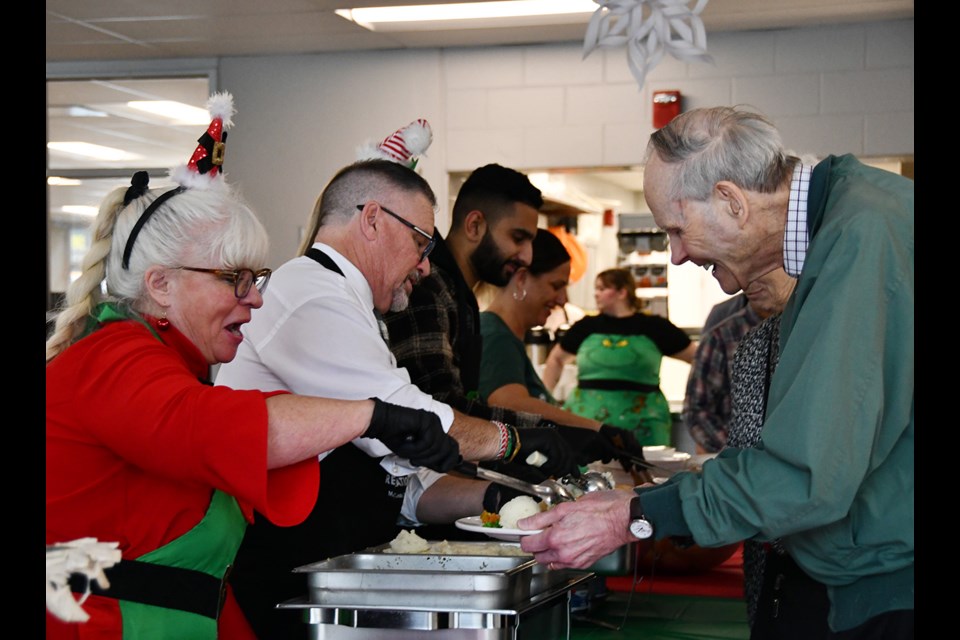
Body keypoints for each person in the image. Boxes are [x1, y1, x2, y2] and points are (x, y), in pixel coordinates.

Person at [44, 93, 459, 640]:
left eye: (255, 278)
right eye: (234, 279)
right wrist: (371, 416)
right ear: (161, 284)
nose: (256, 299)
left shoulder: (165, 367)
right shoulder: (111, 357)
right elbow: (208, 426)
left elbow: (237, 419)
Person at [519, 105, 914, 639]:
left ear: (731, 200)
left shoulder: (860, 239)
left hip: (886, 589)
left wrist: (631, 515)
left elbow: (806, 475)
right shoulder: (844, 221)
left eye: (676, 229)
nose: (677, 256)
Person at [214, 158, 580, 639]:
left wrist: (496, 496)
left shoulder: (353, 306)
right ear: (371, 220)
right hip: (284, 577)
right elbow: (409, 419)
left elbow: (403, 478)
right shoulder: (310, 293)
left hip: (332, 572)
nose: (426, 266)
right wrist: (516, 442)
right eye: (420, 242)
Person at [383, 163, 649, 472]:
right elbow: (439, 409)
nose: (526, 257)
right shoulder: (429, 290)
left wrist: (553, 432)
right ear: (475, 226)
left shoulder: (460, 299)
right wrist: (545, 433)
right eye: (518, 237)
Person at [542, 267, 697, 446]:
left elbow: (698, 359)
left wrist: (695, 399)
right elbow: (556, 359)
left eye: (602, 288)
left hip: (644, 424)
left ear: (623, 292)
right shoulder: (585, 327)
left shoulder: (655, 327)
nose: (596, 294)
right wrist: (546, 399)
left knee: (649, 472)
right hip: (586, 424)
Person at [682, 268, 795, 453]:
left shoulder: (806, 326)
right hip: (739, 463)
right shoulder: (723, 335)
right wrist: (734, 451)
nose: (755, 282)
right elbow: (697, 409)